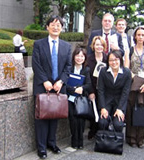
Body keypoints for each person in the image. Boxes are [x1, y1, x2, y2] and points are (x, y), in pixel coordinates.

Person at [32, 15, 72, 159]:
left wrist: (61, 81)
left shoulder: (67, 46)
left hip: (58, 87)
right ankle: (41, 147)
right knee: (41, 117)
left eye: (59, 25)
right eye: (53, 25)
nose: (56, 27)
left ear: (62, 28)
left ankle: (52, 143)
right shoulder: (38, 44)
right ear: (47, 27)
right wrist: (45, 81)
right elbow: (36, 65)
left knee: (55, 115)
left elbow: (68, 67)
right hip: (43, 86)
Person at [124, 27, 144, 148]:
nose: (140, 37)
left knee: (143, 109)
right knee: (131, 110)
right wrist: (135, 78)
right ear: (135, 36)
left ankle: (140, 138)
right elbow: (127, 68)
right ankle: (131, 138)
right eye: (138, 35)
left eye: (142, 35)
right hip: (133, 83)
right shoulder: (129, 50)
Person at [97, 50, 132, 134]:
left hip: (119, 102)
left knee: (118, 124)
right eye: (111, 60)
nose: (114, 62)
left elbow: (125, 92)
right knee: (102, 122)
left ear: (120, 60)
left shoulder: (127, 73)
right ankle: (104, 141)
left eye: (116, 59)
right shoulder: (103, 71)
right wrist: (102, 108)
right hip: (106, 101)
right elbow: (100, 90)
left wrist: (120, 109)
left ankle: (116, 142)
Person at [66, 47, 92, 149]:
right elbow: (65, 84)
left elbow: (89, 84)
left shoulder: (86, 69)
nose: (79, 58)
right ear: (74, 57)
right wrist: (73, 90)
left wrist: (82, 88)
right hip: (70, 99)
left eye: (82, 56)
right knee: (73, 120)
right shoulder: (69, 68)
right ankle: (74, 140)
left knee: (81, 121)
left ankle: (80, 141)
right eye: (77, 56)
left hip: (81, 99)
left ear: (85, 58)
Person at [87, 36, 107, 139]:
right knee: (93, 110)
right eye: (97, 44)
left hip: (105, 89)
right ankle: (93, 130)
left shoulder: (107, 58)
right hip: (92, 87)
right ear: (93, 46)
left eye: (101, 45)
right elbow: (87, 76)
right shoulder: (88, 58)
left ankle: (102, 131)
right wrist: (90, 91)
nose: (99, 47)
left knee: (103, 109)